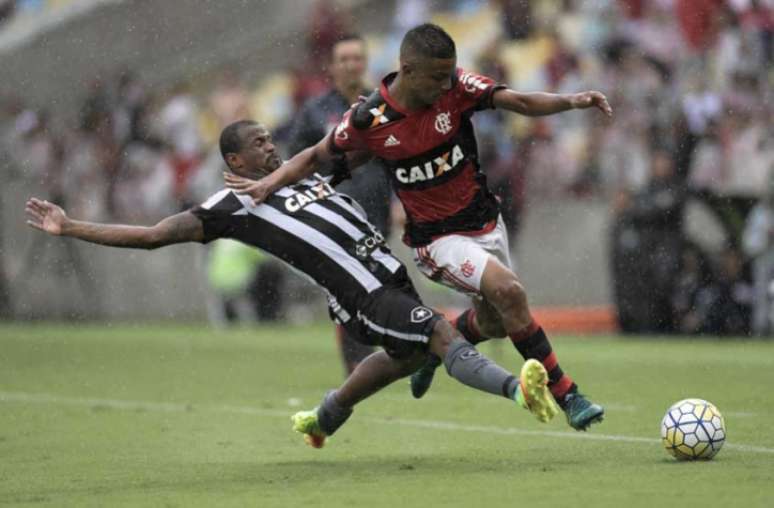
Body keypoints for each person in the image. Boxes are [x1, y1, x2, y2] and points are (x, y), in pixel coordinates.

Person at [25, 120, 559, 448]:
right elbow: (151, 235)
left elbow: (367, 145)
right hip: (360, 294)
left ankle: (323, 417)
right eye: (258, 143)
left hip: (388, 273)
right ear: (235, 160)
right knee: (441, 337)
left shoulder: (300, 173)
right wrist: (70, 226)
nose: (270, 146)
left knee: (405, 358)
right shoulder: (229, 205)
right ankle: (519, 391)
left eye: (268, 137)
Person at [224, 24, 612, 430]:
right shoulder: (369, 117)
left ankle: (430, 353)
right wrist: (268, 183)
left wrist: (570, 100)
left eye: (449, 74)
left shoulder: (456, 87)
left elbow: (517, 100)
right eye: (436, 77)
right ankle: (569, 394)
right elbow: (315, 155)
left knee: (496, 320)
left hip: (484, 223)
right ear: (407, 69)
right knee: (509, 292)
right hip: (436, 239)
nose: (445, 84)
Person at [287, 33, 392, 376]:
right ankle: (357, 363)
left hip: (376, 210)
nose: (350, 65)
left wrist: (402, 203)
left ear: (366, 63)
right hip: (334, 212)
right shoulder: (315, 111)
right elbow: (296, 159)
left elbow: (398, 158)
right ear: (332, 67)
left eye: (356, 58)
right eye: (343, 59)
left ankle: (378, 357)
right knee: (346, 286)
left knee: (378, 284)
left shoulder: (383, 106)